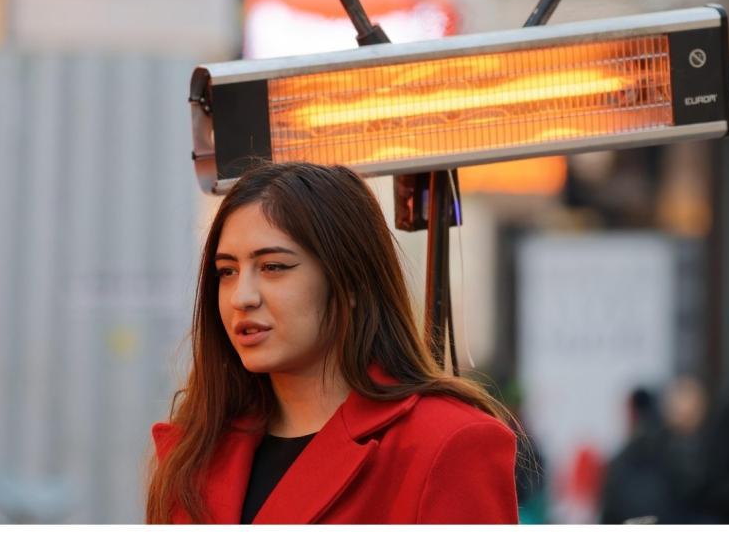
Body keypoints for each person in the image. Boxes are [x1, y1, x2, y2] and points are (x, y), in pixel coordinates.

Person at [145, 161, 520, 524]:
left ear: (351, 280)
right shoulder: (194, 453)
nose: (241, 297)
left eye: (273, 267)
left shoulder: (447, 442)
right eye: (227, 271)